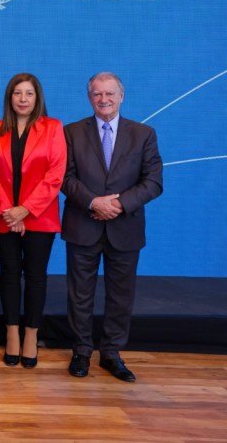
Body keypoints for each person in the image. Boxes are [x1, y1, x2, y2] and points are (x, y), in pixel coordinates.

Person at [62, 72, 163, 383]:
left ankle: (111, 353)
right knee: (80, 294)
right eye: (96, 94)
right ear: (89, 97)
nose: (103, 99)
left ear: (122, 96)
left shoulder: (143, 134)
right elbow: (65, 178)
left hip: (125, 226)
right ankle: (81, 351)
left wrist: (118, 204)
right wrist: (94, 202)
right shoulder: (72, 132)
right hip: (83, 223)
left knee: (120, 295)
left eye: (109, 94)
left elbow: (154, 181)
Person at [0, 73, 66, 369]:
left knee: (35, 277)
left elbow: (55, 174)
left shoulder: (53, 128)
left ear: (37, 97)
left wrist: (26, 210)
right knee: (8, 274)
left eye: (28, 94)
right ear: (9, 97)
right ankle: (12, 334)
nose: (22, 99)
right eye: (17, 93)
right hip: (3, 215)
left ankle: (31, 335)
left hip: (39, 216)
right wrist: (9, 210)